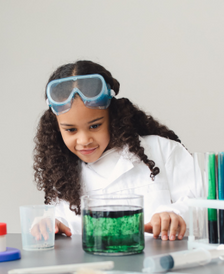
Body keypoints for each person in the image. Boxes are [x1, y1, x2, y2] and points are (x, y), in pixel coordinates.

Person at [33, 60, 197, 242]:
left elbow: (204, 201)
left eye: (95, 125)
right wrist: (50, 223)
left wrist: (174, 213)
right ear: (57, 128)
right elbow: (65, 225)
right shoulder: (63, 176)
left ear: (112, 115)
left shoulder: (162, 150)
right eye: (71, 130)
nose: (84, 140)